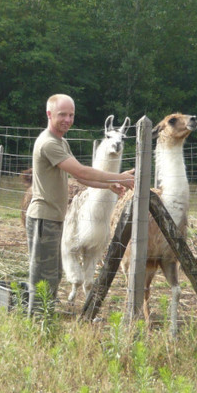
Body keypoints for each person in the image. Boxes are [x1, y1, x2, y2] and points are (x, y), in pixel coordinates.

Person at [26, 94, 135, 316]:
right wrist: (120, 178)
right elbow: (81, 171)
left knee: (54, 273)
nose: (67, 119)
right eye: (62, 114)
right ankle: (35, 322)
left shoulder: (61, 142)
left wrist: (110, 184)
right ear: (49, 114)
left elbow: (81, 179)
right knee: (42, 276)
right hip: (43, 218)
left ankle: (45, 319)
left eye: (71, 115)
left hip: (55, 217)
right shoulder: (49, 143)